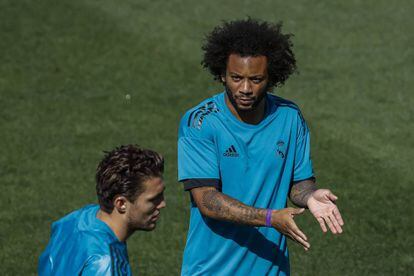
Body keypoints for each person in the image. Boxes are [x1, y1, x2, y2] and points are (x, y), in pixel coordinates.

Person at [177, 18, 344, 275]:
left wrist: (310, 196)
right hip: (211, 270)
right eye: (236, 78)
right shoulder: (201, 121)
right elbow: (207, 200)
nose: (245, 88)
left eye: (256, 79)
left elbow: (299, 184)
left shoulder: (290, 118)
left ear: (271, 77)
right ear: (222, 74)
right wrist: (269, 218)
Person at [38, 145, 166, 275]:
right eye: (154, 199)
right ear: (121, 203)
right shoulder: (106, 264)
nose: (163, 204)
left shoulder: (76, 219)